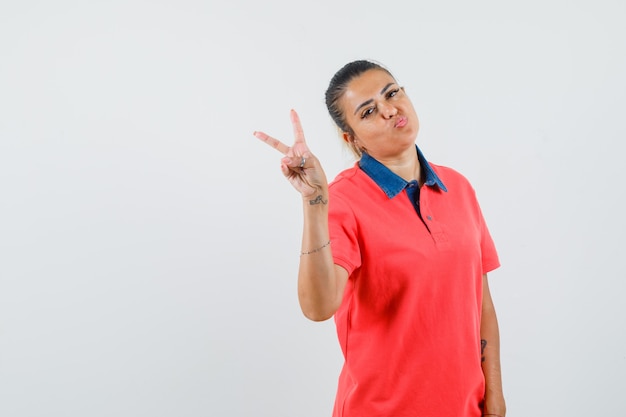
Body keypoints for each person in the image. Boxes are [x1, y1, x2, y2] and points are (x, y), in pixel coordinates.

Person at [253, 60, 506, 417]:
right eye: (368, 111)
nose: (389, 110)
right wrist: (314, 201)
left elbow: (482, 305)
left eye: (392, 93)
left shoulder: (458, 188)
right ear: (351, 139)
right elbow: (318, 306)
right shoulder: (343, 200)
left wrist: (494, 395)